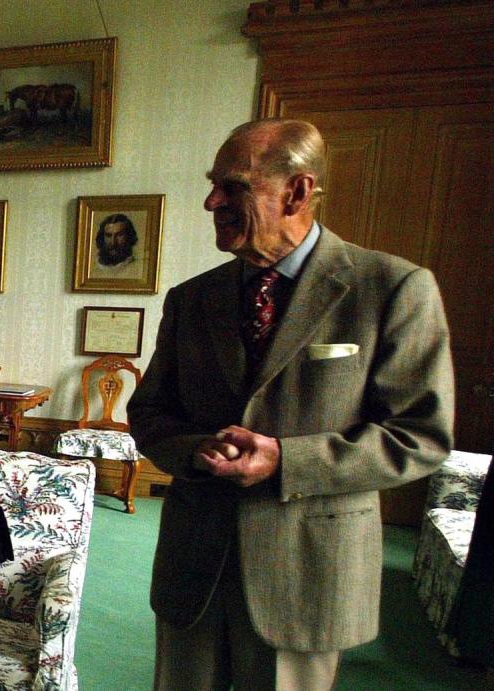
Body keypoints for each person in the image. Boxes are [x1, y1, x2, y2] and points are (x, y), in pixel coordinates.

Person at [127, 119, 454, 690]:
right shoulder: (191, 298)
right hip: (193, 565)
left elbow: (420, 437)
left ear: (298, 192)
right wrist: (193, 448)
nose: (211, 201)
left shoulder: (392, 288)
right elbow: (151, 413)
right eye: (214, 185)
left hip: (307, 570)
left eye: (233, 186)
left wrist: (285, 460)